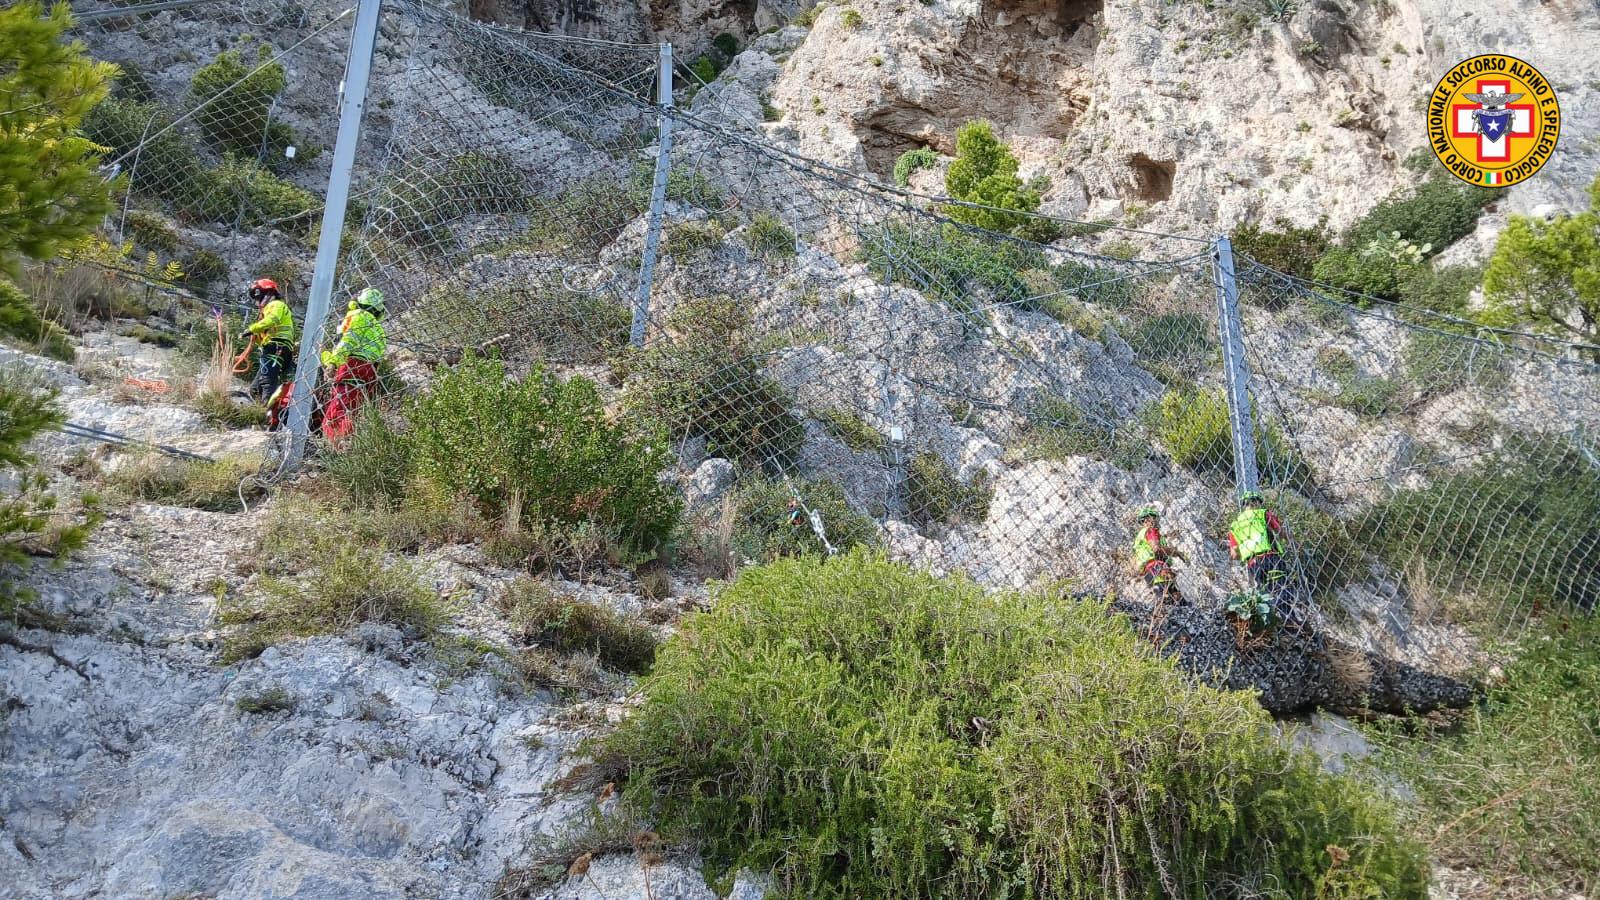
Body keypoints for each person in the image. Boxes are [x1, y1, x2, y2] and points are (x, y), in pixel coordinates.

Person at [319, 287, 387, 444]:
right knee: (352, 408)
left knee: (338, 408)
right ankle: (346, 440)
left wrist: (331, 363)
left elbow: (348, 342)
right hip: (370, 370)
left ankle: (335, 444)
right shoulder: (378, 327)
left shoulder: (357, 316)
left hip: (352, 366)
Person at [1227, 490, 1290, 597]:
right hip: (1271, 558)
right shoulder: (1263, 513)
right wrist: (1291, 540)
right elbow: (1280, 531)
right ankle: (1286, 611)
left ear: (1243, 505)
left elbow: (1234, 554)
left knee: (1266, 593)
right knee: (1283, 589)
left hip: (1253, 564)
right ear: (1257, 502)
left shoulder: (1235, 525)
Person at [243, 279, 296, 404]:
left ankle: (269, 410)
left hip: (276, 345)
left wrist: (251, 329)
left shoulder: (275, 305)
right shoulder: (274, 307)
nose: (257, 302)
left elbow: (273, 320)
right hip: (277, 346)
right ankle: (258, 407)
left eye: (258, 297)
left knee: (267, 380)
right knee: (256, 388)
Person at [1130, 505, 1186, 605]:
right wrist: (1176, 552)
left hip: (1148, 572)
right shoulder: (1151, 531)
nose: (1156, 521)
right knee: (1171, 599)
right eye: (1154, 518)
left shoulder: (1140, 535)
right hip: (1157, 566)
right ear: (1149, 519)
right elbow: (1157, 549)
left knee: (1167, 598)